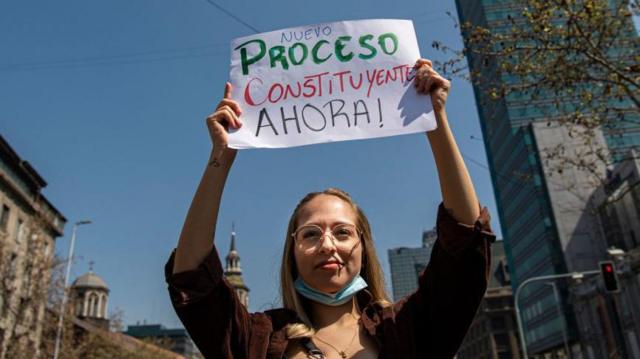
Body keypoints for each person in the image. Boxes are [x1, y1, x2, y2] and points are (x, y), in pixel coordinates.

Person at [165, 58, 495, 359]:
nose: (327, 244)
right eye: (310, 234)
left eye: (342, 232)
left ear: (362, 246)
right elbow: (192, 278)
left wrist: (436, 121)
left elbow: (465, 245)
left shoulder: (405, 328)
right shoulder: (257, 339)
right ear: (292, 251)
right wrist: (220, 157)